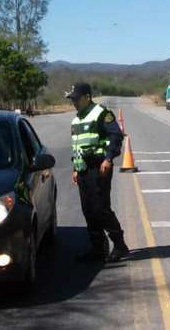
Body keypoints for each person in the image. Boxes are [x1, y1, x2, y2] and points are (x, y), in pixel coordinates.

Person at [66, 83, 130, 263]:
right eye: (72, 99)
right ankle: (97, 248)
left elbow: (116, 136)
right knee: (88, 211)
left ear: (87, 96)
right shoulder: (77, 119)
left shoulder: (101, 113)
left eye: (76, 98)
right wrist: (75, 169)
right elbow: (77, 146)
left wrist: (108, 158)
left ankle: (119, 245)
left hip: (98, 168)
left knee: (101, 209)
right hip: (83, 170)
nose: (74, 102)